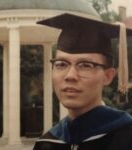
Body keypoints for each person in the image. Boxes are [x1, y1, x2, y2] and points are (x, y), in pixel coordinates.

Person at [33, 13, 132, 150]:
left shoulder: (126, 136)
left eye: (85, 65)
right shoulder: (46, 144)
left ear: (108, 76)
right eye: (61, 64)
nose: (70, 76)